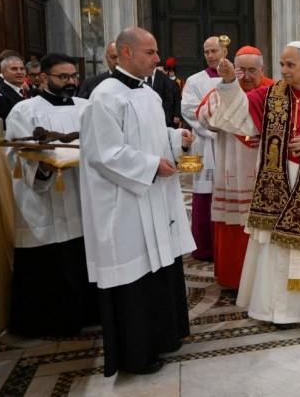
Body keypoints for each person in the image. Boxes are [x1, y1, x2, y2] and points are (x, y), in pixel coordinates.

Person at [207, 40, 300, 329]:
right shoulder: (269, 95)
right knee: (275, 247)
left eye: (290, 64)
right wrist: (228, 82)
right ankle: (278, 311)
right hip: (275, 181)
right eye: (281, 64)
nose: (284, 70)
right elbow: (238, 112)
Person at [79, 26, 196, 376]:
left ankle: (165, 336)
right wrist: (150, 165)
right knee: (135, 276)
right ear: (126, 52)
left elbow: (150, 137)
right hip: (125, 203)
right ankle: (136, 354)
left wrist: (175, 138)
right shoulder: (105, 96)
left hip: (154, 197)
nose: (158, 59)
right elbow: (103, 153)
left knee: (160, 267)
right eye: (151, 52)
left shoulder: (147, 93)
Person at [5, 53, 99, 337]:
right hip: (45, 199)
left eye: (74, 76)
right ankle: (51, 323)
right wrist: (43, 167)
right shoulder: (24, 110)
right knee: (51, 261)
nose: (71, 82)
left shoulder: (86, 107)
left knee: (83, 253)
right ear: (44, 77)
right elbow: (15, 152)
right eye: (63, 77)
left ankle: (90, 314)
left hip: (82, 192)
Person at [197, 45, 275, 289]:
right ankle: (234, 278)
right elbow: (204, 118)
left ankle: (265, 280)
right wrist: (228, 87)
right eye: (241, 70)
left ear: (263, 69)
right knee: (233, 222)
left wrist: (268, 136)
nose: (247, 76)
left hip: (266, 169)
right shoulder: (222, 90)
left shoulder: (275, 91)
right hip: (232, 165)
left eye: (253, 70)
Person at [181, 36, 228, 261]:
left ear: (225, 51)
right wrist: (214, 128)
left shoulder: (236, 77)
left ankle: (228, 245)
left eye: (214, 51)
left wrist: (228, 127)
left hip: (232, 142)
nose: (210, 55)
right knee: (205, 193)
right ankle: (206, 247)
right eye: (206, 51)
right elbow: (189, 109)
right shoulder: (195, 80)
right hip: (206, 142)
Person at [0, 55, 29, 121]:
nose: (19, 72)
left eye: (22, 68)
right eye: (14, 69)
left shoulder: (26, 91)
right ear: (3, 72)